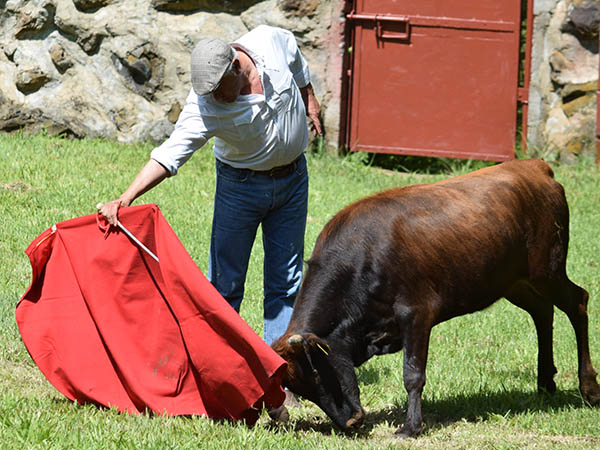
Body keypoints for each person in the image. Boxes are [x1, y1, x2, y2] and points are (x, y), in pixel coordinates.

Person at [98, 25, 322, 350]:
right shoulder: (204, 106)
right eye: (209, 91)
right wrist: (126, 197)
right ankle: (222, 361)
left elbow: (293, 52)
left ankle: (280, 367)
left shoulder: (267, 41)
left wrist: (308, 94)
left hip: (293, 183)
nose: (215, 97)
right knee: (225, 284)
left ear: (235, 65)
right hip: (240, 190)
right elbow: (170, 154)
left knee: (286, 283)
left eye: (219, 88)